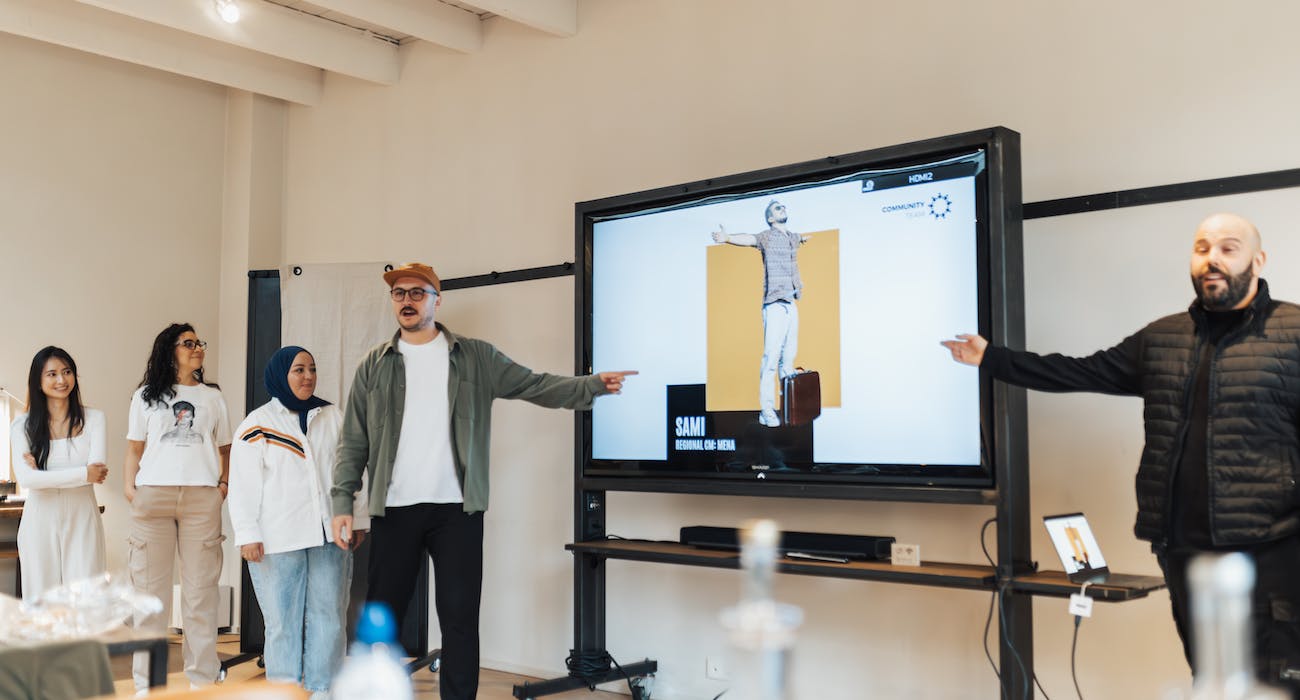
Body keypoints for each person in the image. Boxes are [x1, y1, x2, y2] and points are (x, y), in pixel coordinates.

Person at [941, 212, 1300, 692]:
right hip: (1182, 549)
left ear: (1258, 260)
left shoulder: (1293, 334)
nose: (1211, 259)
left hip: (1272, 551)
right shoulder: (1163, 337)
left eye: (1228, 248)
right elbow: (1082, 371)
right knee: (1209, 678)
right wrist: (993, 358)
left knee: (1274, 683)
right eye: (1202, 248)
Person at [329, 262, 635, 700]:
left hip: (458, 511)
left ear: (436, 300)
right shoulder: (373, 366)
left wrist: (591, 386)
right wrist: (343, 501)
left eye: (417, 293)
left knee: (459, 621)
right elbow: (353, 441)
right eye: (399, 293)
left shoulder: (476, 357)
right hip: (394, 510)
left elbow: (535, 385)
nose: (407, 301)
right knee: (384, 618)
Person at [229, 346, 369, 699]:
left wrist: (359, 517)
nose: (308, 376)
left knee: (329, 616)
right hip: (277, 539)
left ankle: (323, 690)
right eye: (299, 370)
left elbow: (353, 468)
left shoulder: (333, 416)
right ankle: (285, 691)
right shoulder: (257, 424)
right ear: (281, 375)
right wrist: (247, 534)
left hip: (329, 535)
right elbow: (243, 486)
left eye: (312, 369)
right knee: (282, 623)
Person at [124, 323, 231, 693]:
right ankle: (147, 686)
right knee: (149, 596)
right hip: (153, 498)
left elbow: (225, 448)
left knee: (201, 594)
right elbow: (134, 448)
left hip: (202, 500)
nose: (198, 348)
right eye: (188, 343)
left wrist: (223, 486)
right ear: (169, 351)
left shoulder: (213, 397)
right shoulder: (145, 396)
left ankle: (202, 681)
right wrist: (130, 487)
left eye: (199, 342)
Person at [8, 346, 107, 598]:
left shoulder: (95, 419)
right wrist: (83, 474)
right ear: (38, 381)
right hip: (39, 519)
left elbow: (97, 472)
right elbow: (28, 479)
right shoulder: (22, 425)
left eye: (67, 372)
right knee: (42, 601)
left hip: (83, 517)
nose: (61, 380)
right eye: (52, 374)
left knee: (87, 600)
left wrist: (44, 475)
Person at [712, 199, 809, 427]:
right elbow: (750, 239)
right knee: (771, 359)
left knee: (788, 361)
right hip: (774, 304)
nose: (783, 208)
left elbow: (798, 239)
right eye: (777, 208)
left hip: (791, 303)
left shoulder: (792, 237)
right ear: (770, 218)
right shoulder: (767, 237)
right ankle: (766, 411)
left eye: (783, 206)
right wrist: (728, 238)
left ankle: (789, 411)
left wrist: (802, 239)